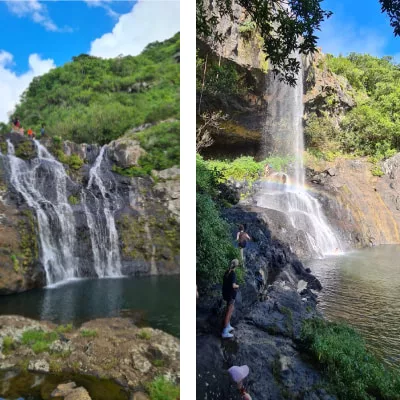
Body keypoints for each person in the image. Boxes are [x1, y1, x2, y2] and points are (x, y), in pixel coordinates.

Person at [222, 259, 240, 339]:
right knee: (229, 312)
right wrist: (237, 286)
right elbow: (233, 285)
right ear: (236, 266)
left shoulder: (226, 272)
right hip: (231, 295)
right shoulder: (233, 274)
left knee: (229, 310)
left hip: (226, 294)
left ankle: (228, 326)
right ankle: (225, 332)